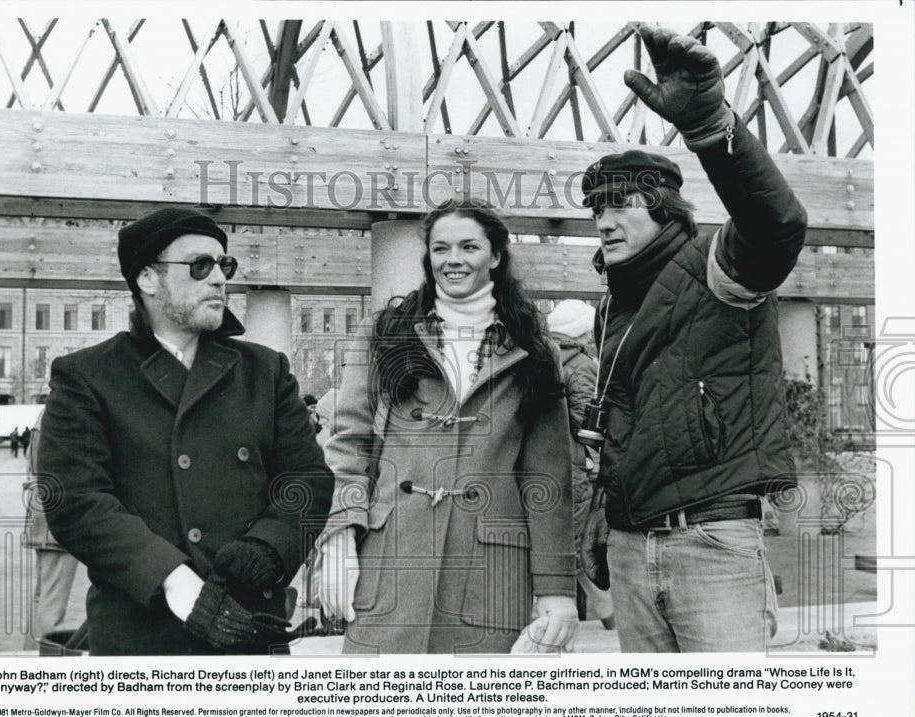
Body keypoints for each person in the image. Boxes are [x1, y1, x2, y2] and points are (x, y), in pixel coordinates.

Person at [575, 24, 807, 652]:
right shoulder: (613, 307)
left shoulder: (715, 266)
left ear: (664, 207)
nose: (604, 219)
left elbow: (777, 224)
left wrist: (709, 127)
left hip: (710, 544)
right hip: (629, 546)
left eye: (621, 203)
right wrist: (605, 516)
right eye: (596, 207)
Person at [38, 206, 334, 655]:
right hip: (141, 634)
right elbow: (76, 502)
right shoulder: (88, 375)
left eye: (224, 265)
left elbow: (307, 480)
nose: (219, 278)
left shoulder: (265, 370)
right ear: (147, 279)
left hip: (248, 624)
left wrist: (269, 548)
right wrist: (174, 581)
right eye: (200, 265)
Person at [315, 199, 577, 654]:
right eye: (441, 249)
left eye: (468, 246)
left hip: (492, 571)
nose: (453, 260)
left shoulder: (534, 351)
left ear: (495, 256)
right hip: (391, 558)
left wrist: (557, 590)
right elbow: (349, 446)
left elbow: (548, 478)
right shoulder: (384, 334)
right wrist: (338, 536)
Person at [546, 300, 615, 630]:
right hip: (575, 466)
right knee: (578, 543)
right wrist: (596, 459)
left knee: (560, 541)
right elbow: (585, 423)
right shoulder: (584, 365)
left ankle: (609, 612)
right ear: (583, 332)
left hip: (545, 464)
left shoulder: (543, 359)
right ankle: (610, 615)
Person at [22, 409, 81, 648]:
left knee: (42, 596)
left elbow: (32, 465)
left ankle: (30, 655)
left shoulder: (42, 417)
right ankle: (49, 661)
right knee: (53, 605)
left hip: (41, 512)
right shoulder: (62, 416)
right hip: (59, 516)